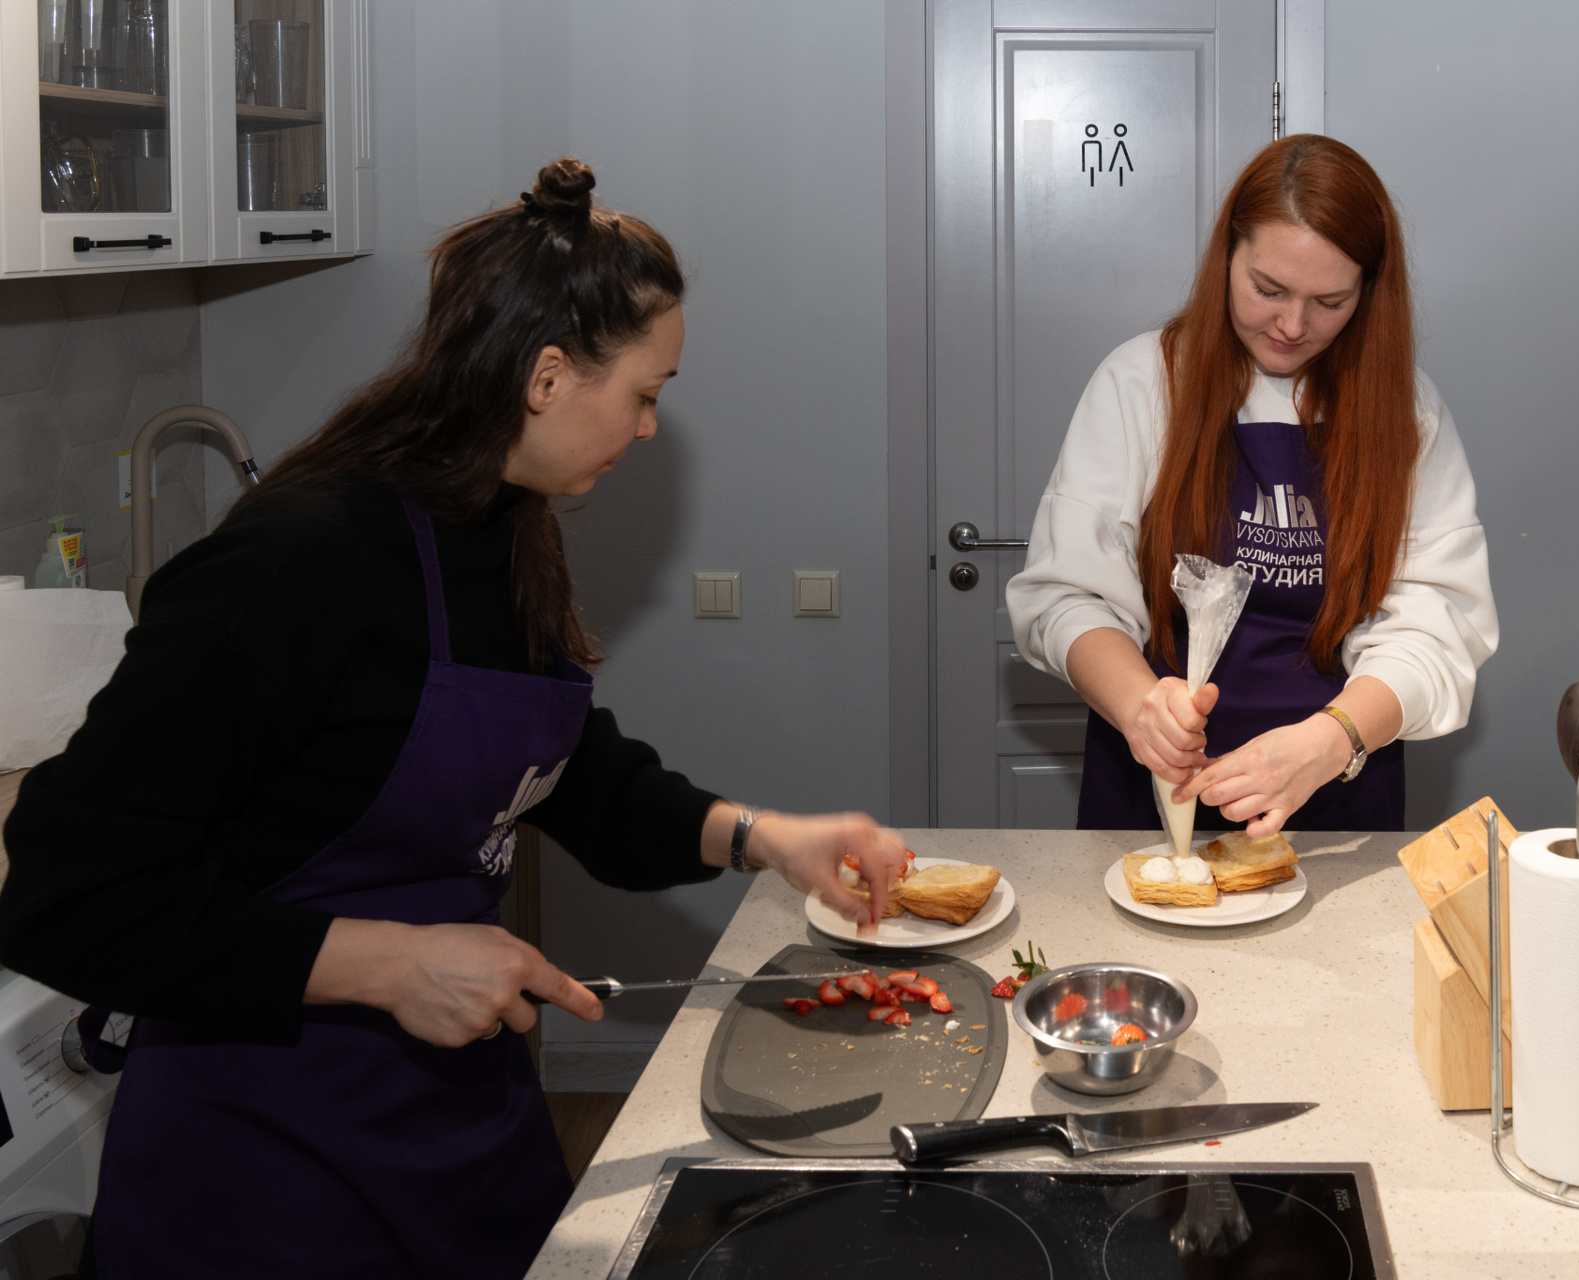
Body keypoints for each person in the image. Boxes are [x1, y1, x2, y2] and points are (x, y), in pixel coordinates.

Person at [0, 158, 909, 1279]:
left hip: (459, 1123)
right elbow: (61, 895)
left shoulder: (502, 527)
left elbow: (564, 770)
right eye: (644, 393)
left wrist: (761, 836)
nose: (649, 428)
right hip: (265, 1169)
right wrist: (383, 963)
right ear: (546, 376)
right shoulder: (301, 559)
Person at [1008, 135, 1497, 837]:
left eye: (1330, 301)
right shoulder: (1141, 382)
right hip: (1154, 784)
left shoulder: (1405, 411)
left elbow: (1436, 623)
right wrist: (1143, 709)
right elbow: (1067, 594)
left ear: (1368, 292)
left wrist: (1330, 741)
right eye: (1268, 290)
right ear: (1226, 257)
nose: (1292, 326)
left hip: (1336, 790)